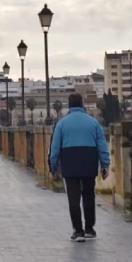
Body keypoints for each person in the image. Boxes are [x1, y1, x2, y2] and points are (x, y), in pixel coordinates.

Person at [48, 93, 110, 243]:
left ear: (69, 105)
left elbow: (55, 147)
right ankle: (89, 229)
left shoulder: (61, 124)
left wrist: (53, 167)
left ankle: (78, 230)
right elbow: (102, 145)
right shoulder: (94, 123)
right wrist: (105, 164)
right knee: (89, 195)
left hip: (70, 162)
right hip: (89, 160)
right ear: (81, 104)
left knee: (73, 198)